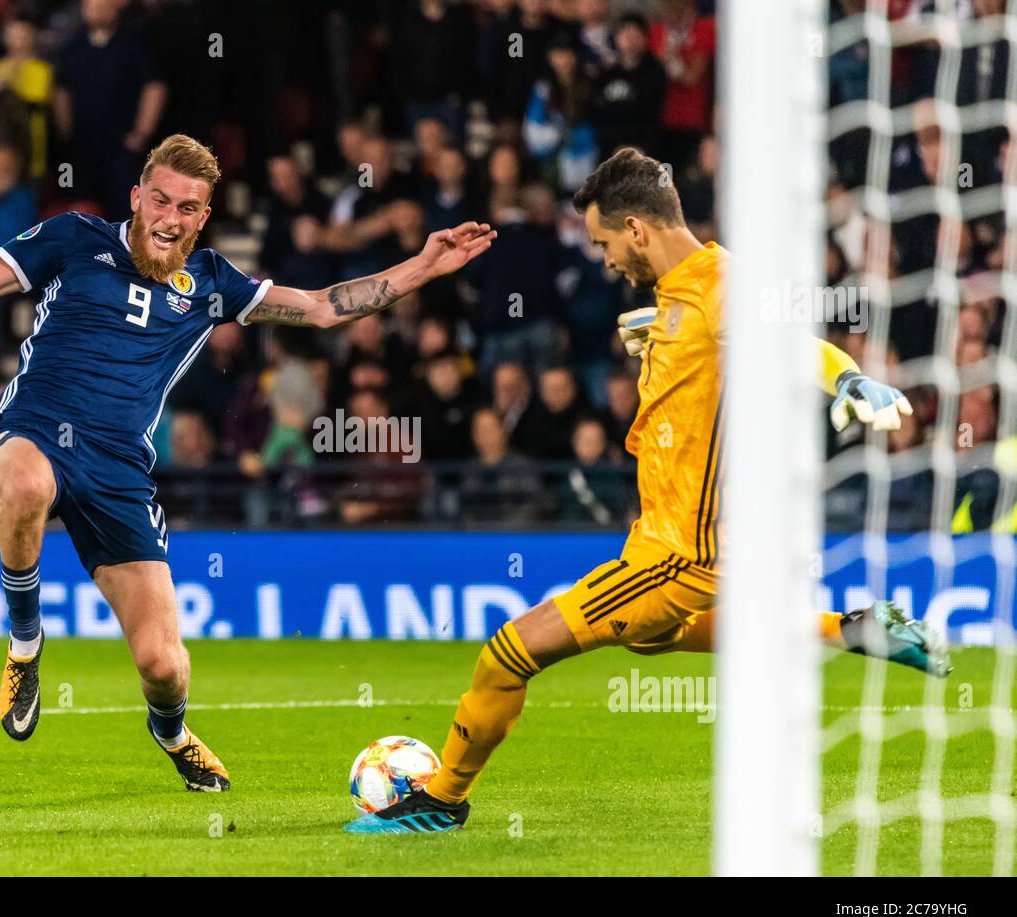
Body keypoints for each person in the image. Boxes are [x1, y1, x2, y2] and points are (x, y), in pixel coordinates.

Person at [0, 133, 495, 794]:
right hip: (38, 427)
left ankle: (173, 732)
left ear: (205, 216)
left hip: (120, 469)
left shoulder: (214, 283)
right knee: (22, 481)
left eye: (188, 207)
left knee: (163, 664)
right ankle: (25, 640)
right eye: (160, 199)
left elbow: (323, 308)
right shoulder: (73, 238)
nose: (170, 217)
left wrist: (423, 266)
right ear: (137, 198)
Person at [346, 147, 948, 835]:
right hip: (672, 541)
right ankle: (853, 628)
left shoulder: (721, 284)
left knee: (507, 652)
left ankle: (441, 800)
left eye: (604, 241)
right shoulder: (680, 293)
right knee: (652, 642)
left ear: (636, 229)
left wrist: (847, 379)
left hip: (680, 554)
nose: (603, 259)